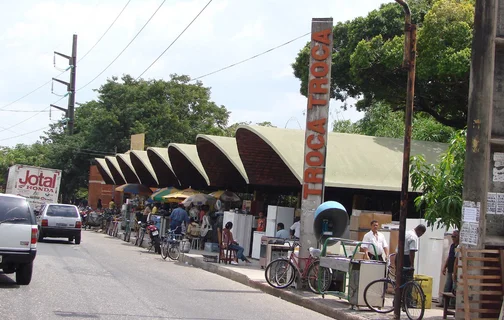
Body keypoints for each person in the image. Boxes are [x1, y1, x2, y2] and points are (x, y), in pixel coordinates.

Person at [436, 230, 459, 307]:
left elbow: (457, 260)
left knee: (454, 286)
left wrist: (455, 272)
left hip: (456, 270)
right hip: (450, 269)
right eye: (452, 236)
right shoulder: (452, 246)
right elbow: (449, 256)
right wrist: (444, 267)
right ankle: (444, 303)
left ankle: (452, 304)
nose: (453, 238)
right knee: (447, 286)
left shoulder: (459, 247)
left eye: (454, 236)